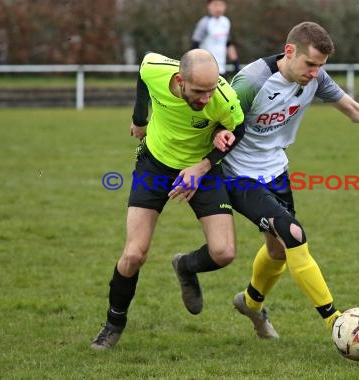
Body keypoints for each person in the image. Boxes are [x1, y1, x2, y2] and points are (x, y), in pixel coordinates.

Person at [220, 21, 359, 339]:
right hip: (239, 175)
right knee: (293, 234)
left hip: (276, 170)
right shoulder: (251, 81)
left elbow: (354, 110)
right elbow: (214, 127)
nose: (315, 72)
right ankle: (336, 322)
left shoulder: (315, 78)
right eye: (310, 64)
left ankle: (250, 304)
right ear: (289, 51)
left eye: (321, 66)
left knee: (277, 251)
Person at [91, 49, 245, 350]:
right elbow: (142, 71)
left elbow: (238, 127)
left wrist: (202, 167)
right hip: (154, 164)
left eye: (211, 90)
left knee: (224, 252)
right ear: (179, 80)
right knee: (134, 254)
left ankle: (185, 266)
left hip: (202, 169)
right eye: (199, 92)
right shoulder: (157, 70)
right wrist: (139, 118)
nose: (205, 99)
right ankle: (114, 322)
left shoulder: (223, 98)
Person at [191, 0, 240, 78]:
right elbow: (194, 45)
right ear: (209, 6)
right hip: (205, 69)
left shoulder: (226, 22)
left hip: (221, 68)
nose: (218, 8)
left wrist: (236, 64)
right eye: (215, 5)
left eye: (221, 5)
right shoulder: (205, 22)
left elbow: (228, 44)